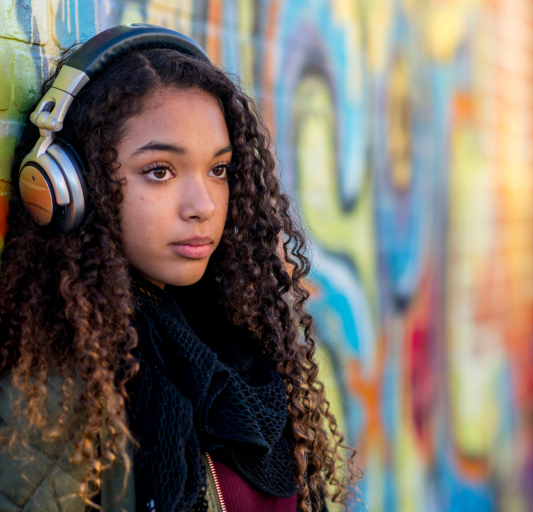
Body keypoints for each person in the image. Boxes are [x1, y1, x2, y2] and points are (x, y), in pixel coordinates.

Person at [0, 25, 360, 512]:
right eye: (160, 171)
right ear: (68, 188)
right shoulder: (62, 389)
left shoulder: (233, 343)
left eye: (219, 170)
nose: (204, 205)